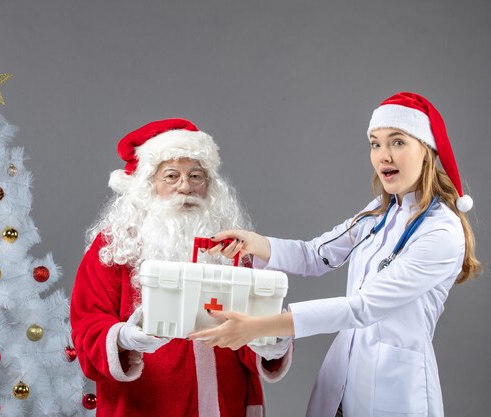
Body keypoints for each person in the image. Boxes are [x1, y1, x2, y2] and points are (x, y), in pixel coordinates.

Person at [189, 92, 481, 417]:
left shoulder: (442, 231)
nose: (383, 155)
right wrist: (253, 242)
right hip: (342, 378)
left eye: (397, 142)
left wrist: (260, 326)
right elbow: (316, 255)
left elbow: (363, 307)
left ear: (426, 151)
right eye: (375, 143)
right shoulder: (377, 214)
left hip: (394, 388)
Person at [70, 118, 293, 417]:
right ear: (149, 185)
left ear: (210, 185)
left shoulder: (230, 244)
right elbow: (87, 321)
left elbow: (244, 328)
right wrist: (122, 338)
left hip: (224, 404)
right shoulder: (115, 245)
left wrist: (269, 339)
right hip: (146, 405)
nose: (185, 187)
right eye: (171, 176)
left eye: (196, 176)